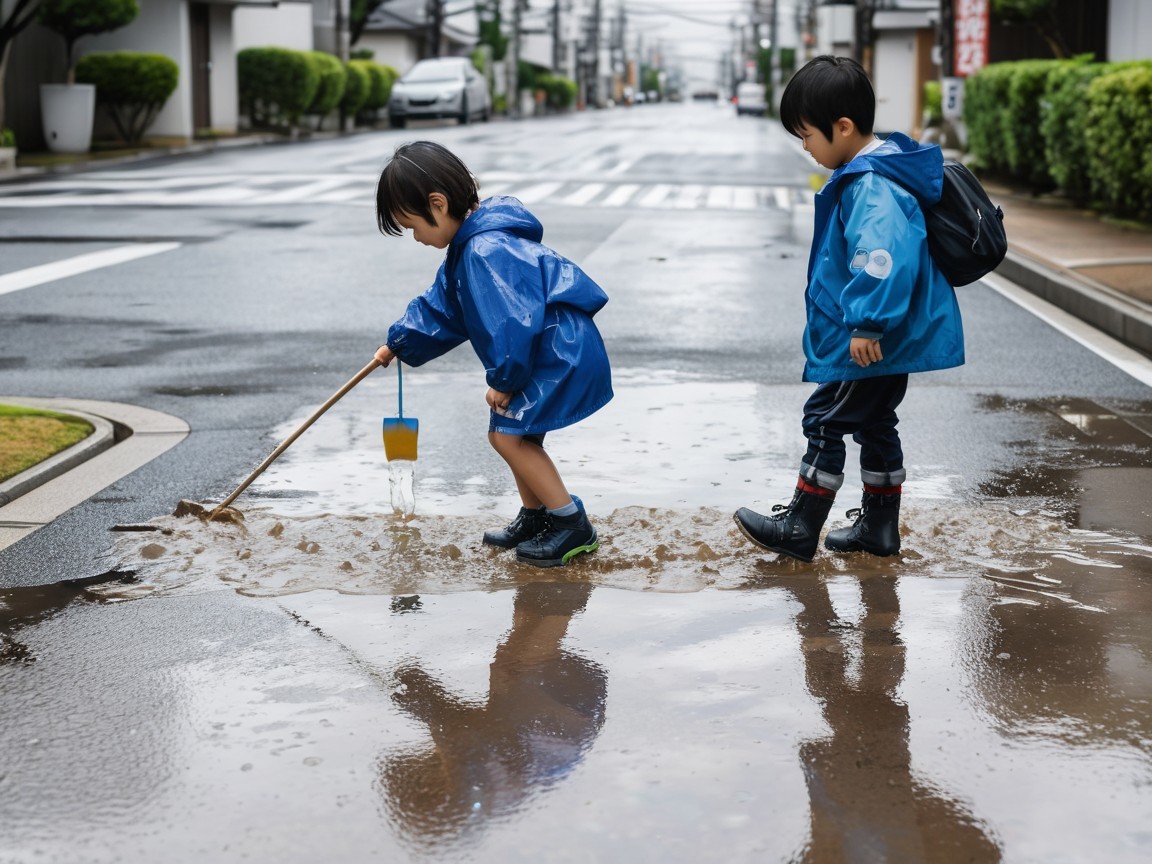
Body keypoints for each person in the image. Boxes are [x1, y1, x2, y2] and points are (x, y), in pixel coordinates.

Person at [734, 56, 964, 562]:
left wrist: (867, 322)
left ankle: (800, 524)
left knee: (824, 417)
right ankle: (878, 528)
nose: (805, 147)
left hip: (874, 337)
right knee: (875, 423)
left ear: (843, 127)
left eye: (807, 135)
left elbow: (883, 259)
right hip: (889, 337)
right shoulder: (877, 171)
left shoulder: (871, 184)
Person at [372, 141, 612, 567]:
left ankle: (571, 524)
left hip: (555, 350)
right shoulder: (469, 248)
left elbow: (511, 322)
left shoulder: (485, 251)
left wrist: (504, 380)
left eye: (413, 226)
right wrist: (400, 340)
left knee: (506, 435)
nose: (416, 238)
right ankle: (537, 517)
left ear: (438, 204)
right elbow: (442, 307)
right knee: (519, 433)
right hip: (549, 346)